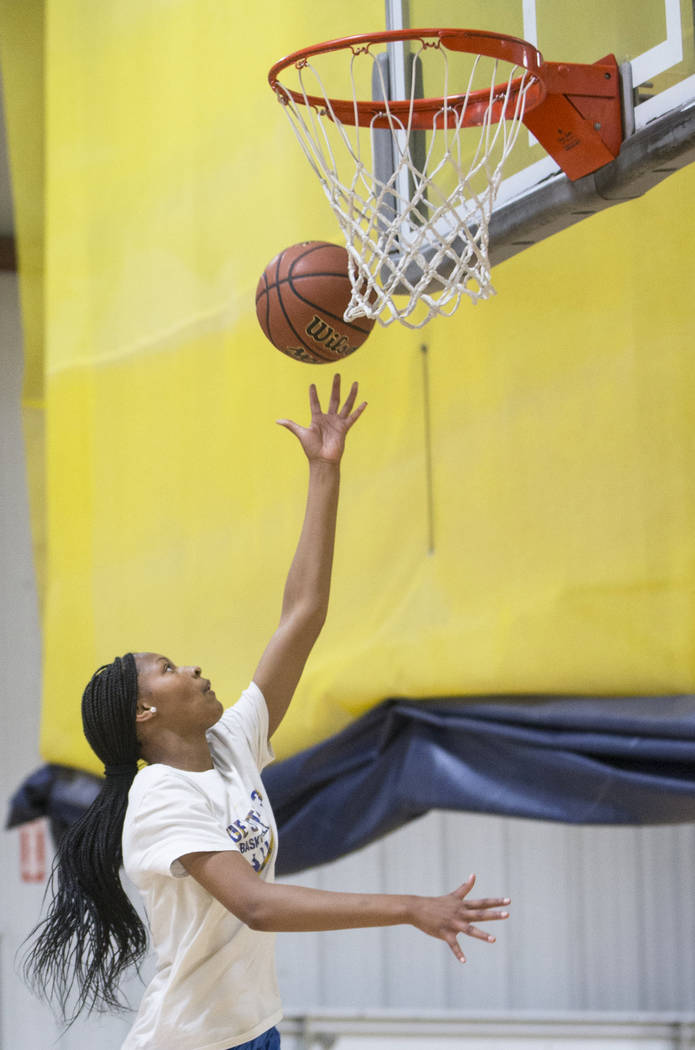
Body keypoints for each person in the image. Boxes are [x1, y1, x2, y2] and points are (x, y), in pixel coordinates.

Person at [24, 376, 511, 1050]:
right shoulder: (161, 797)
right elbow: (255, 906)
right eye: (168, 669)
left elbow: (302, 614)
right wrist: (409, 908)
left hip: (253, 1030)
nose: (192, 669)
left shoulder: (229, 746)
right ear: (143, 710)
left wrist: (324, 471)